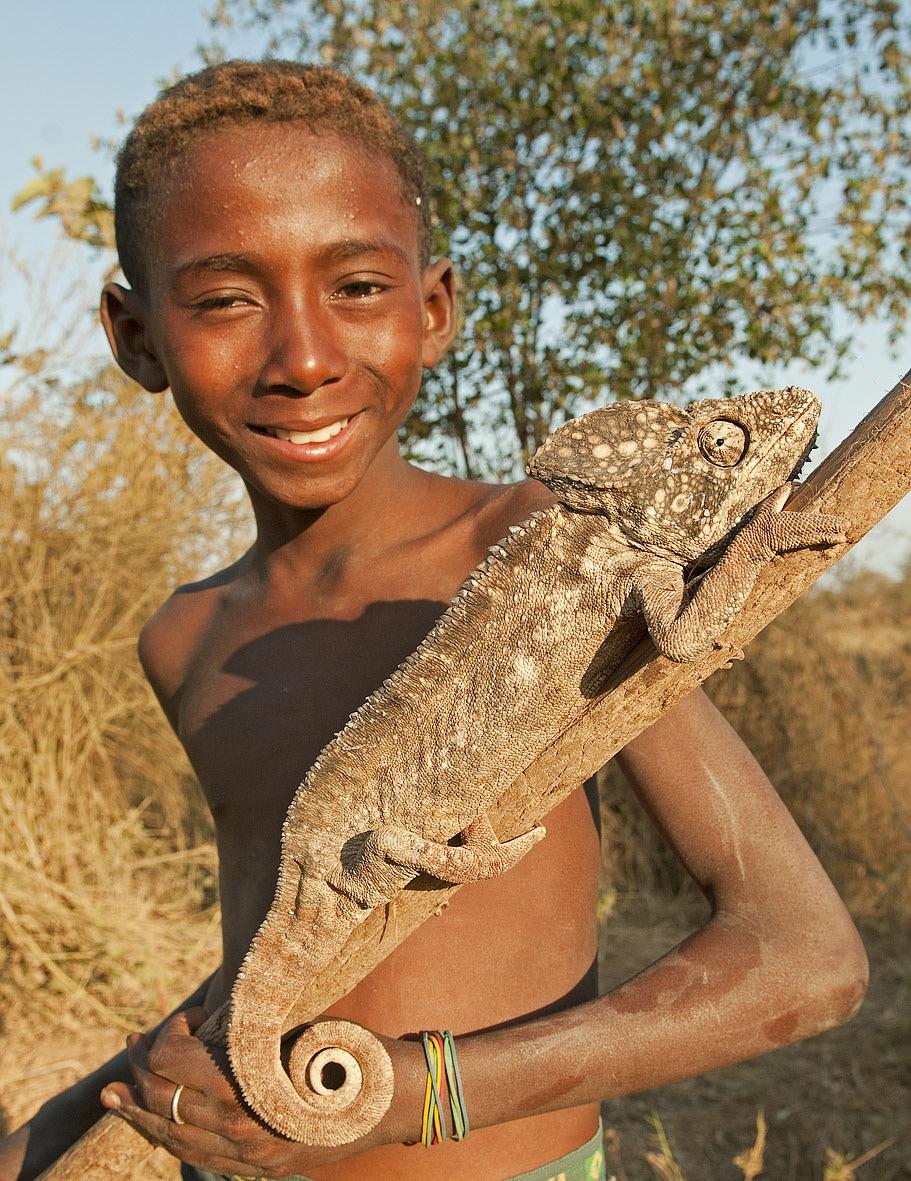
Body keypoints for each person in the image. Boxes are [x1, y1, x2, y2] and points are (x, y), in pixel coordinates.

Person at [0, 60, 868, 1181]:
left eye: (357, 287)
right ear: (135, 336)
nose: (304, 358)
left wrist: (413, 1096)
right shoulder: (186, 633)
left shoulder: (549, 551)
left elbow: (801, 959)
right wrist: (83, 1113)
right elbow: (298, 944)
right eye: (223, 299)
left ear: (435, 307)